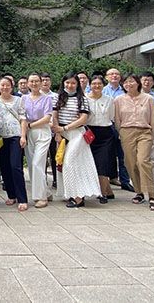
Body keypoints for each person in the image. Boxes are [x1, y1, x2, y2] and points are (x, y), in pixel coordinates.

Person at [52, 72, 101, 208]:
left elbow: (83, 119)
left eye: (73, 83)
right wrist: (58, 132)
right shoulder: (57, 98)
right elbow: (54, 116)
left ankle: (79, 197)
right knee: (63, 165)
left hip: (77, 135)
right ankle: (72, 194)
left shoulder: (82, 99)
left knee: (71, 163)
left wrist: (65, 128)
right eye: (67, 82)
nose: (70, 85)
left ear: (77, 84)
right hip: (62, 135)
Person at [115, 74, 154, 211]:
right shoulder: (119, 100)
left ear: (138, 83)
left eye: (132, 81)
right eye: (126, 82)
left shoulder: (148, 99)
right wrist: (122, 133)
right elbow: (117, 120)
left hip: (144, 131)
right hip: (126, 132)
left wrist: (152, 136)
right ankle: (139, 191)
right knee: (131, 162)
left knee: (143, 161)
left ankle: (152, 195)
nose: (129, 84)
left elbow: (153, 119)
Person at [0, 76, 28, 211]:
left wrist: (23, 136)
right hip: (1, 137)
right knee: (5, 167)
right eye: (2, 85)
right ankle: (11, 195)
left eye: (7, 85)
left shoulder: (19, 100)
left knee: (16, 166)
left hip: (16, 136)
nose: (5, 88)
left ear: (12, 87)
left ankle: (22, 198)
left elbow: (23, 118)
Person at [22, 73, 53, 208]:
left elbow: (47, 118)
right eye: (31, 81)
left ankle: (41, 197)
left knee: (37, 163)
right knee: (31, 164)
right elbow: (22, 116)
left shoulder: (47, 99)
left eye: (36, 81)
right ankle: (47, 192)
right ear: (27, 83)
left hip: (42, 132)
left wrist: (30, 126)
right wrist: (24, 132)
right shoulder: (24, 99)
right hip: (28, 133)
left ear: (40, 83)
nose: (34, 84)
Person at [85, 76, 117, 202]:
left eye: (99, 84)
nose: (97, 86)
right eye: (94, 84)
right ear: (90, 85)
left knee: (103, 163)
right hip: (90, 133)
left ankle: (102, 193)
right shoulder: (85, 99)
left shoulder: (109, 100)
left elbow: (111, 116)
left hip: (105, 134)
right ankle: (108, 191)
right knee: (92, 163)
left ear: (103, 85)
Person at [103, 68, 134, 193]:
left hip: (123, 124)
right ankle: (107, 182)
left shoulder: (126, 91)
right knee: (107, 154)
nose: (114, 76)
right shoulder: (102, 90)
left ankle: (125, 181)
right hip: (106, 125)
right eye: (111, 74)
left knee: (123, 154)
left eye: (116, 74)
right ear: (106, 77)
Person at [40, 72, 59, 189]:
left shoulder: (56, 96)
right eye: (43, 80)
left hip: (53, 130)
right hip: (42, 129)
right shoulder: (36, 96)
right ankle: (43, 180)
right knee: (42, 157)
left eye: (47, 80)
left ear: (50, 82)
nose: (45, 82)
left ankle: (56, 180)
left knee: (54, 156)